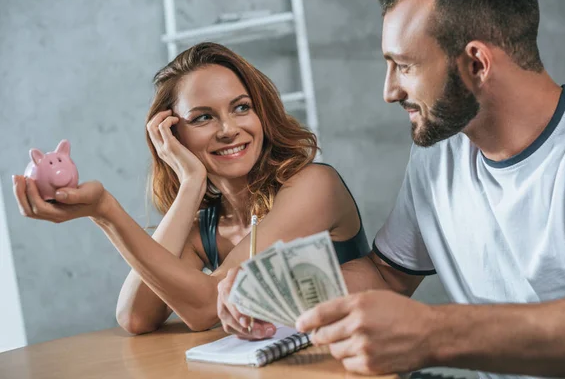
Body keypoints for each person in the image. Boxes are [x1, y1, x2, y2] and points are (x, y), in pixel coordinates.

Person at [216, 0, 565, 377]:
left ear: (477, 64)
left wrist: (435, 334)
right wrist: (278, 286)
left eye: (404, 66)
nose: (389, 91)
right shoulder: (438, 154)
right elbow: (388, 275)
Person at [12, 42, 370, 336]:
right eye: (203, 117)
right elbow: (136, 315)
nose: (228, 129)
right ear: (174, 136)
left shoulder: (314, 186)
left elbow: (203, 308)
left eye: (241, 108)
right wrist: (190, 183)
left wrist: (107, 209)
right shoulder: (206, 229)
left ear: (261, 115)